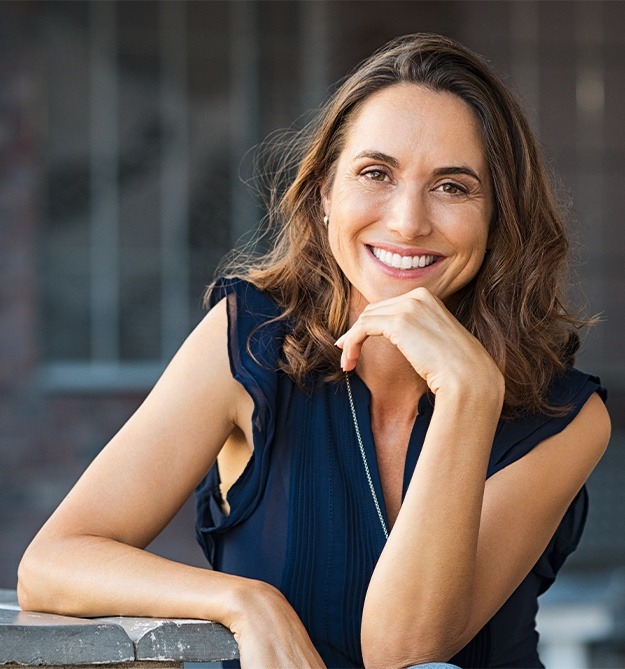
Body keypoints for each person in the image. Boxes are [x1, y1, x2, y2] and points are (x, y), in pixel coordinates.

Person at [18, 33, 610, 669]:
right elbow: (54, 562)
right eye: (375, 174)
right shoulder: (247, 341)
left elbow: (400, 649)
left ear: (499, 217)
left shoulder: (565, 418)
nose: (408, 221)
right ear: (326, 194)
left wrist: (471, 394)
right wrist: (246, 602)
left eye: (453, 187)